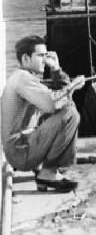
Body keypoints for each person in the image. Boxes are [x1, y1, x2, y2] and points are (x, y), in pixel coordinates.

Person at [1, 35, 85, 192]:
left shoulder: (22, 76)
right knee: (70, 113)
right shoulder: (22, 79)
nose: (44, 60)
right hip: (20, 151)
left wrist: (56, 69)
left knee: (65, 107)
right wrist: (73, 85)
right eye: (40, 56)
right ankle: (48, 173)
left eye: (46, 55)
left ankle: (45, 173)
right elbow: (52, 103)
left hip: (20, 147)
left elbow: (54, 96)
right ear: (26, 58)